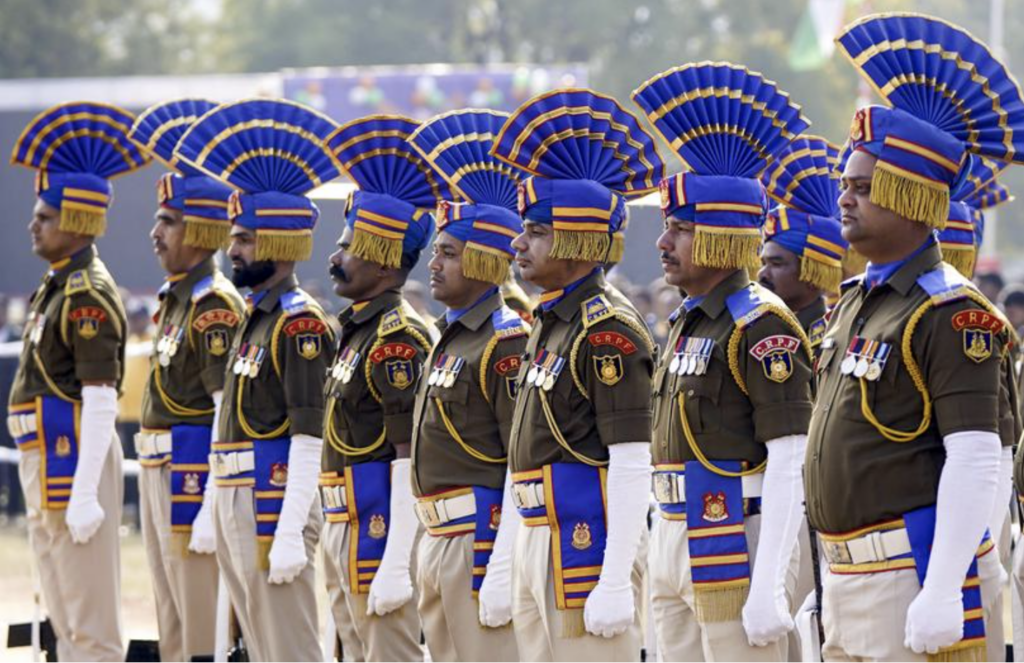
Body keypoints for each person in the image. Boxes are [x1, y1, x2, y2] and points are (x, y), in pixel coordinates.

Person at [807, 13, 1024, 660]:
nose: (844, 200)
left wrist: (944, 586)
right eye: (844, 186)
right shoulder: (854, 302)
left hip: (910, 574)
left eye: (862, 188)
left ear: (909, 195)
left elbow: (977, 455)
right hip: (843, 574)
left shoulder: (954, 314)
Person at [633, 63, 814, 662]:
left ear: (721, 235)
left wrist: (770, 583)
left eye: (680, 229)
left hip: (736, 529)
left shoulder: (762, 324)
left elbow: (789, 458)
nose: (663, 243)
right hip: (671, 527)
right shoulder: (689, 318)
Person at [491, 88, 663, 662]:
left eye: (537, 232)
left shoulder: (608, 329)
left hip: (584, 541)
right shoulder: (550, 320)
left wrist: (614, 579)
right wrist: (505, 559)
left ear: (579, 238)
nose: (518, 243)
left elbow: (631, 459)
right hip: (535, 534)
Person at [174, 98, 338, 661]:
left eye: (244, 239)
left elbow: (309, 435)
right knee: (258, 646)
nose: (233, 249)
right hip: (236, 495)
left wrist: (290, 528)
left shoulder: (300, 324)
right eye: (234, 237)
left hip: (270, 501)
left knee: (288, 645)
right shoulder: (256, 316)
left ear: (279, 243)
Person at [8, 101, 151, 660]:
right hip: (47, 455)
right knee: (63, 615)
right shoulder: (58, 285)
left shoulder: (88, 291)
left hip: (73, 459)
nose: (33, 225)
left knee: (89, 620)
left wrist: (86, 490)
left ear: (74, 222)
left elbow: (99, 399)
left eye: (44, 217)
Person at [318, 114, 446, 662]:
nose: (335, 258)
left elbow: (407, 455)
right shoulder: (359, 328)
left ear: (384, 258)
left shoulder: (399, 338)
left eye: (348, 247)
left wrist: (396, 558)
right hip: (342, 518)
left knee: (387, 652)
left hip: (377, 523)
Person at [406, 108, 529, 661]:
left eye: (448, 254)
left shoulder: (505, 342)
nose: (433, 264)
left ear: (482, 259)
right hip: (435, 536)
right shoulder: (449, 336)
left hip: (478, 540)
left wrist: (500, 563)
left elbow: (517, 461)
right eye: (436, 251)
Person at [127, 99, 245, 662]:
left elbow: (225, 410)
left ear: (200, 229)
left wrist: (210, 504)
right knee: (170, 617)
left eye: (168, 222)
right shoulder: (177, 297)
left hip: (191, 472)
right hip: (159, 467)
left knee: (201, 625)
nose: (155, 233)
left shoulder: (213, 304)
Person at [759, 136, 849, 358]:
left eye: (776, 263)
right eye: (763, 263)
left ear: (812, 273)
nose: (762, 274)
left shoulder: (835, 337)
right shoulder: (760, 328)